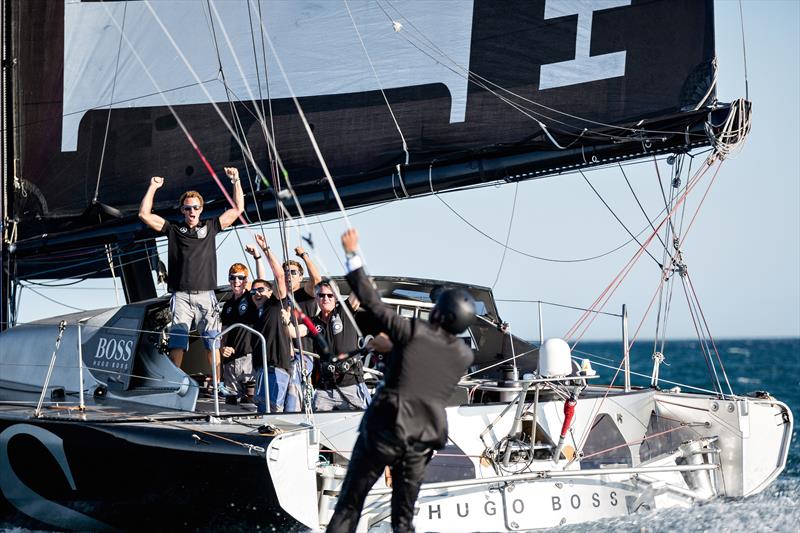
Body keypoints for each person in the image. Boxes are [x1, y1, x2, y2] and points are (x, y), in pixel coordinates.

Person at [326, 229, 476, 533]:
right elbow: (426, 362)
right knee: (403, 521)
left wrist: (352, 254)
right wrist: (395, 347)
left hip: (385, 429)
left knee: (350, 505)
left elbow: (372, 302)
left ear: (439, 313)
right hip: (421, 442)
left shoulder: (413, 332)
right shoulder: (463, 355)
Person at [138, 168, 244, 388]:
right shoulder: (174, 230)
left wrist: (236, 181)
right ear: (182, 211)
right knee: (177, 342)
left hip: (206, 295)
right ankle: (175, 385)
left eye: (196, 207)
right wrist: (153, 187)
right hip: (182, 297)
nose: (192, 211)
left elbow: (237, 210)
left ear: (201, 209)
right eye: (188, 208)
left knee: (212, 343)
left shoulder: (211, 226)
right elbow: (144, 215)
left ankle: (217, 386)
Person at [286, 281, 368, 411]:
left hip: (350, 384)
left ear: (336, 297)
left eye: (330, 295)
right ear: (316, 297)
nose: (326, 299)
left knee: (358, 423)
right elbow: (293, 332)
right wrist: (285, 320)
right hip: (325, 388)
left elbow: (359, 287)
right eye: (321, 295)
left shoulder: (344, 310)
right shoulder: (313, 322)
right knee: (316, 423)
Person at [248, 234, 293, 413]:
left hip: (276, 369)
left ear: (270, 291)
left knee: (274, 411)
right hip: (260, 369)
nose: (256, 293)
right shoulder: (255, 312)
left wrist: (265, 248)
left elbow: (280, 276)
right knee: (262, 413)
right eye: (253, 291)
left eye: (261, 290)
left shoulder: (275, 304)